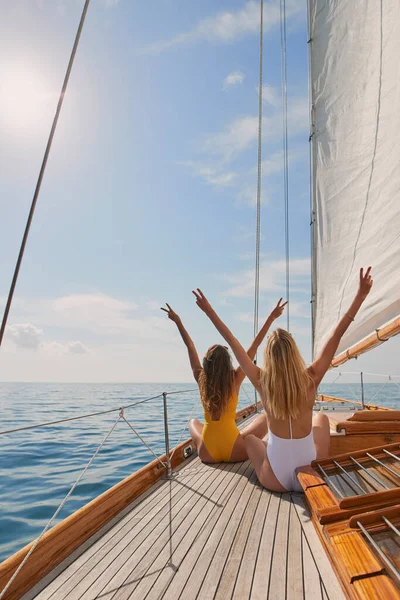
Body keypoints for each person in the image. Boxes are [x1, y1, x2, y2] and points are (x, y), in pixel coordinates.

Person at [192, 267, 373, 491]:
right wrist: (360, 296)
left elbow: (232, 339)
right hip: (311, 472)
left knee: (249, 440)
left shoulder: (261, 380)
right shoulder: (312, 377)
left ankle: (273, 447)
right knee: (322, 418)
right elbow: (337, 334)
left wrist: (209, 311)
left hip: (274, 479)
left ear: (268, 356)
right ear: (294, 352)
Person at [161, 299, 287, 463]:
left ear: (206, 363)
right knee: (265, 417)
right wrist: (271, 317)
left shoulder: (200, 378)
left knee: (194, 422)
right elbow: (254, 346)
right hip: (235, 451)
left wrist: (178, 321)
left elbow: (190, 346)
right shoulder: (235, 378)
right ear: (228, 362)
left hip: (207, 453)